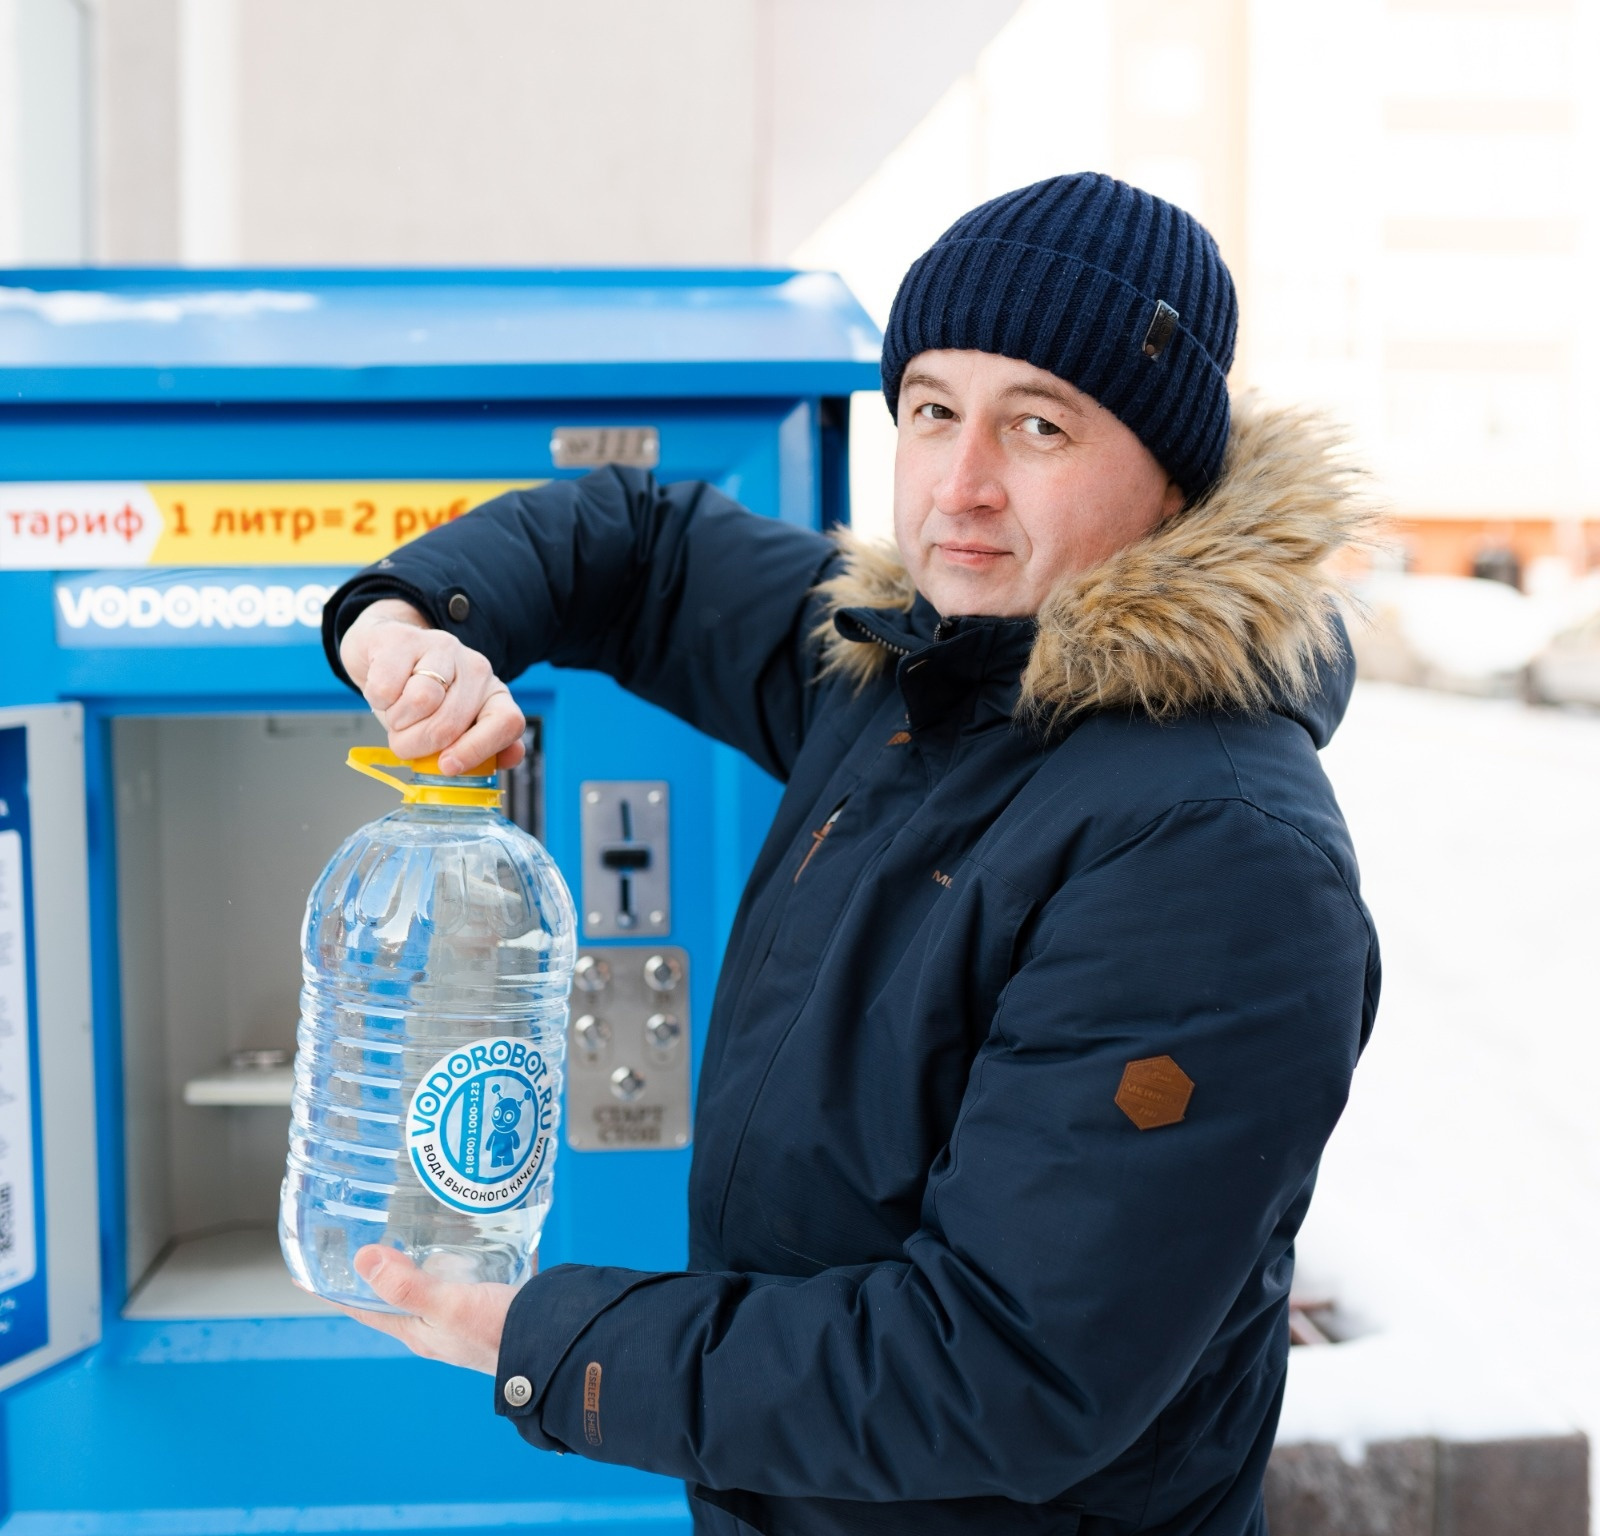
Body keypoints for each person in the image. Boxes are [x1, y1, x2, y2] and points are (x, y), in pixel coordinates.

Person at [321, 173, 1380, 1536]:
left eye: (1038, 425)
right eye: (932, 409)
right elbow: (644, 549)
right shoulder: (915, 671)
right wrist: (406, 617)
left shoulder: (1217, 854)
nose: (962, 486)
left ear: (1175, 479)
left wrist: (566, 1344)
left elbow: (1006, 1369)